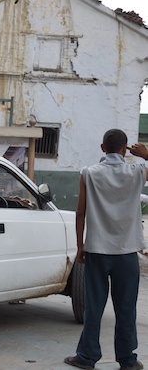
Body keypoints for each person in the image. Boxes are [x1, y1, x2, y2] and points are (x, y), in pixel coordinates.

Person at [65, 129, 148, 370]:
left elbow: (80, 212)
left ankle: (87, 357)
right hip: (126, 253)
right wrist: (146, 154)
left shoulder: (88, 173)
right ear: (125, 149)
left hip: (97, 251)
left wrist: (80, 246)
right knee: (125, 309)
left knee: (94, 306)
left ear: (102, 148)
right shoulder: (137, 172)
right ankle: (128, 360)